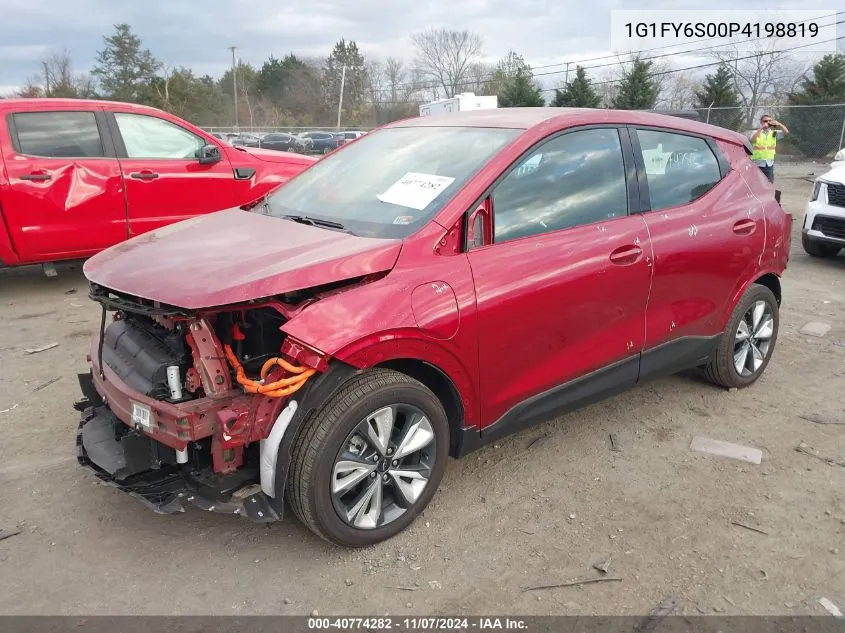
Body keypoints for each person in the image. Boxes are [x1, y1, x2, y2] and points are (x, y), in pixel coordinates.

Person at [750, 114, 789, 183]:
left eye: (769, 121)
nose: (767, 122)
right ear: (761, 122)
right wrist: (761, 128)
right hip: (757, 164)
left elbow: (786, 132)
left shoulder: (773, 133)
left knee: (769, 184)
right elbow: (753, 140)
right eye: (765, 121)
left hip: (769, 164)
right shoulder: (756, 132)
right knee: (756, 184)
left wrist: (779, 124)